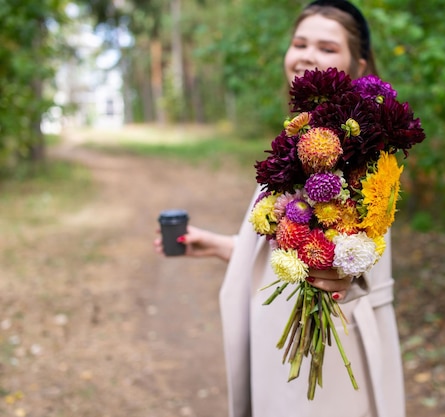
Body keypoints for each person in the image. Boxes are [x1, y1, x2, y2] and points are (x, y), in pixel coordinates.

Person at [154, 1, 405, 416]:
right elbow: (295, 248)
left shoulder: (362, 146)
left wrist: (341, 270)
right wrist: (221, 247)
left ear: (358, 66)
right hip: (279, 339)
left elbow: (349, 257)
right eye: (299, 43)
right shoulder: (303, 136)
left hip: (332, 347)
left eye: (326, 48)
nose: (307, 55)